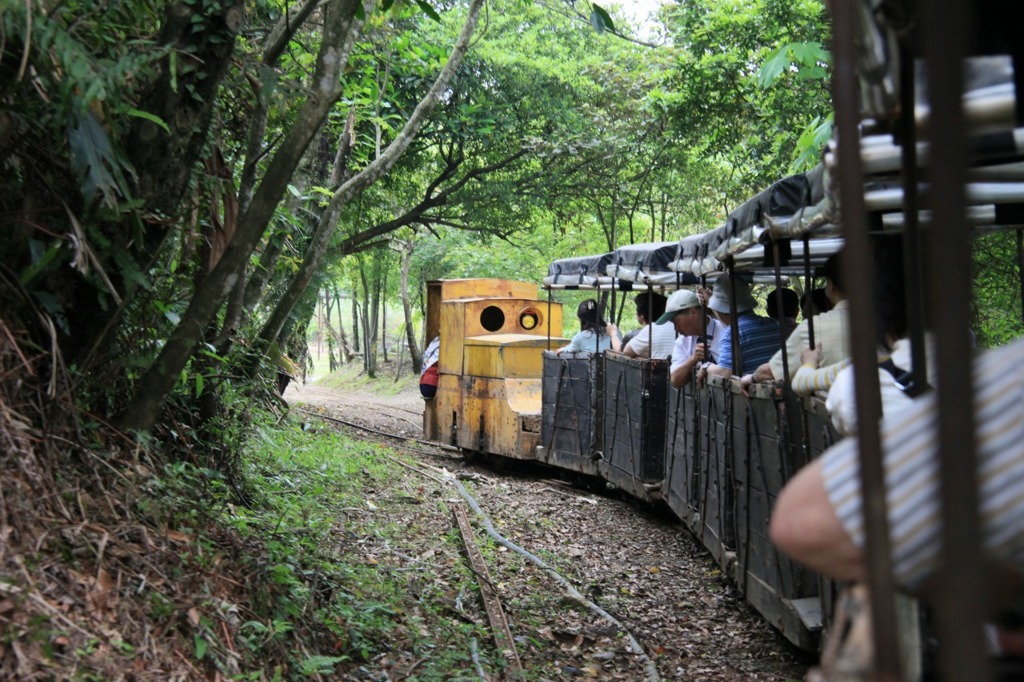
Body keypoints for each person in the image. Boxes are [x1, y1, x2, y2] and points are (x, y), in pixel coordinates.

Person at [748, 254, 851, 384]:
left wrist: (751, 378)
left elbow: (771, 372)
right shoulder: (882, 321)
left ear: (831, 287)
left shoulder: (812, 328)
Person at [703, 275, 781, 378]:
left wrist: (706, 366)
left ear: (723, 310)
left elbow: (725, 373)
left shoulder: (731, 333)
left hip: (749, 392)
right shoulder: (774, 325)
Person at [655, 289, 722, 388]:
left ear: (694, 313)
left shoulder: (724, 331)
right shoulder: (682, 342)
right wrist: (693, 359)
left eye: (676, 322)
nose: (675, 329)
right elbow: (675, 380)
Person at [557, 299, 621, 354]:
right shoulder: (615, 333)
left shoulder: (581, 337)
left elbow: (563, 351)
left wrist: (561, 349)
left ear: (585, 322)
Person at [622, 292, 675, 359]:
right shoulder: (677, 326)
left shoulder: (651, 329)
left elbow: (627, 351)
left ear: (642, 315)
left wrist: (613, 334)